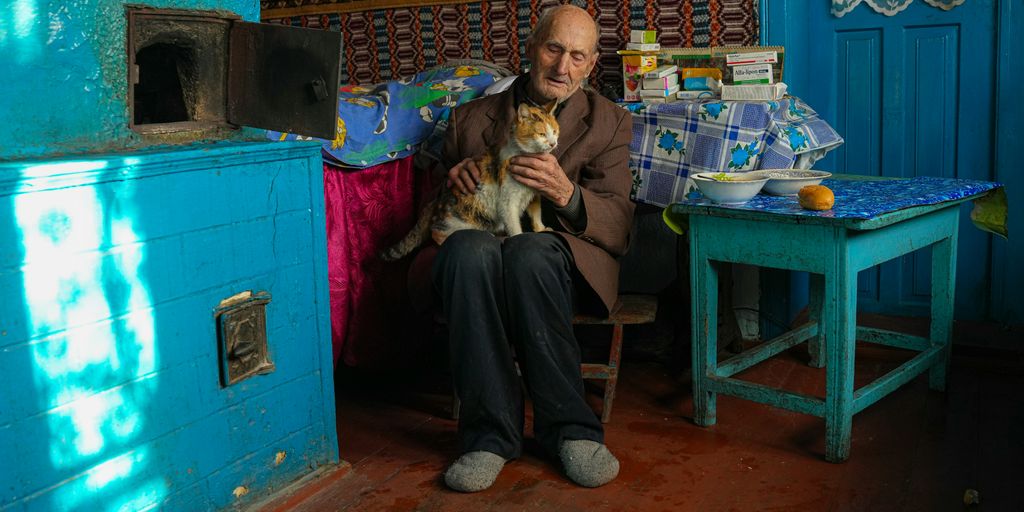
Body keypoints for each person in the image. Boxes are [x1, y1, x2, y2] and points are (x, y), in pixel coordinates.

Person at [432, 5, 634, 492]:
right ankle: (488, 437)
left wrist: (567, 194)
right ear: (530, 47)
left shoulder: (609, 123)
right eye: (554, 49)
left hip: (562, 259)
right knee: (466, 252)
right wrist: (452, 180)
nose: (563, 67)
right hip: (483, 247)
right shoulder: (467, 119)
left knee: (529, 252)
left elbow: (620, 225)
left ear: (590, 64)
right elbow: (437, 211)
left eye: (577, 56)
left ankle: (570, 430)